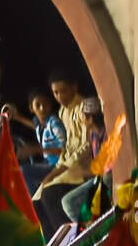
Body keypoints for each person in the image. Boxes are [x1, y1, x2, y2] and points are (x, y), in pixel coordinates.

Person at [31, 70, 92, 232]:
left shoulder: (83, 108)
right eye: (55, 93)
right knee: (35, 202)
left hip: (83, 168)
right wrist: (57, 169)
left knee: (50, 195)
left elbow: (87, 146)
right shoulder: (63, 112)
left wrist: (60, 169)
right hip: (67, 167)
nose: (59, 96)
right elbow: (67, 148)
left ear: (74, 87)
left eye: (63, 91)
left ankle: (71, 239)